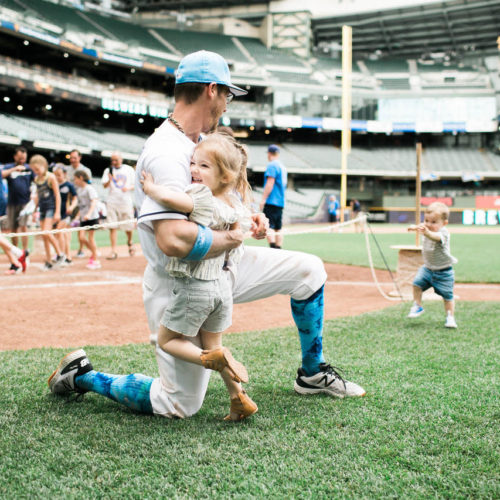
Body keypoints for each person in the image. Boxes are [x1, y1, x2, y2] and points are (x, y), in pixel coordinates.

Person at [48, 50, 365, 421]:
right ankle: (83, 377)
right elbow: (173, 240)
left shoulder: (199, 140)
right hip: (182, 281)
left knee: (309, 270)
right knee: (179, 404)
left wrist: (249, 219)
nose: (227, 105)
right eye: (228, 95)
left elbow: (218, 204)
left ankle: (312, 374)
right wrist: (233, 238)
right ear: (211, 90)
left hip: (226, 267)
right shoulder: (166, 151)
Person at [141, 132, 257, 421]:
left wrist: (151, 188)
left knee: (168, 340)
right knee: (214, 342)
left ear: (225, 176)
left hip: (196, 288)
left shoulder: (202, 196)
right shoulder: (234, 204)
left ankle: (210, 360)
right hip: (222, 288)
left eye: (204, 166)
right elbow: (248, 225)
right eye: (193, 163)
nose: (193, 170)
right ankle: (238, 398)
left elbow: (174, 199)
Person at [407, 202, 458, 328]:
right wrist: (415, 227)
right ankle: (417, 306)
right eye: (426, 220)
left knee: (447, 296)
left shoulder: (443, 233)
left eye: (434, 222)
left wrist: (426, 232)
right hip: (428, 269)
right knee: (416, 284)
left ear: (444, 223)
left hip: (444, 271)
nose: (429, 224)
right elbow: (423, 226)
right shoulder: (427, 228)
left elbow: (435, 237)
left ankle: (450, 317)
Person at [31, 155, 64, 271]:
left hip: (51, 207)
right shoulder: (37, 179)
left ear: (43, 166)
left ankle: (60, 254)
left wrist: (57, 212)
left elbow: (57, 195)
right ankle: (48, 260)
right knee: (44, 236)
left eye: (37, 169)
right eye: (34, 170)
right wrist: (35, 210)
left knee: (46, 232)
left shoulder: (51, 178)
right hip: (42, 209)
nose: (36, 172)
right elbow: (38, 197)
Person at [101, 152, 136, 260]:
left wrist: (128, 188)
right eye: (112, 160)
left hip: (125, 201)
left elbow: (135, 184)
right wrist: (109, 180)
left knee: (128, 226)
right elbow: (104, 185)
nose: (114, 162)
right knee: (112, 226)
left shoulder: (129, 169)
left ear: (121, 159)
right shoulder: (108, 170)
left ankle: (130, 242)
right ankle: (113, 250)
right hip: (112, 201)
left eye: (116, 160)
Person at [1, 146, 34, 253]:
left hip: (25, 203)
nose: (22, 160)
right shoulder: (9, 167)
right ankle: (16, 251)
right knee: (13, 229)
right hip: (12, 203)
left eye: (24, 158)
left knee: (23, 227)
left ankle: (25, 251)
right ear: (15, 157)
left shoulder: (29, 169)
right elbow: (2, 175)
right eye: (20, 158)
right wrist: (15, 169)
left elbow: (37, 181)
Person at [259, 144, 287, 249]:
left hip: (271, 201)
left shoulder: (272, 165)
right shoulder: (282, 167)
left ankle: (273, 248)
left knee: (269, 226)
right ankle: (278, 249)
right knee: (278, 228)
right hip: (280, 201)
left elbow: (270, 183)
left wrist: (263, 199)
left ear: (269, 154)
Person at [73, 169, 101, 270]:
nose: (74, 181)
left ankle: (96, 260)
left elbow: (94, 202)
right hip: (83, 218)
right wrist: (78, 216)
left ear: (81, 178)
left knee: (90, 238)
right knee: (81, 237)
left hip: (92, 217)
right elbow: (82, 206)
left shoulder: (89, 189)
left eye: (75, 179)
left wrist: (89, 214)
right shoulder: (79, 190)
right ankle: (94, 252)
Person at [67, 149, 92, 258]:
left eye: (75, 158)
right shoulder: (67, 170)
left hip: (82, 202)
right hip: (70, 201)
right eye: (71, 158)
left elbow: (89, 186)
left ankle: (81, 249)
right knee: (67, 225)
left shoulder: (85, 170)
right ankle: (66, 250)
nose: (73, 160)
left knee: (80, 227)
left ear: (79, 158)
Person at [54, 164, 77, 266]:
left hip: (66, 214)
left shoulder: (68, 185)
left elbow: (75, 198)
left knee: (60, 232)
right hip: (56, 213)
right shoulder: (53, 184)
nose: (57, 177)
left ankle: (62, 255)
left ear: (64, 174)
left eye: (59, 175)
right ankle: (68, 257)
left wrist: (71, 207)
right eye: (56, 175)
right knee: (64, 235)